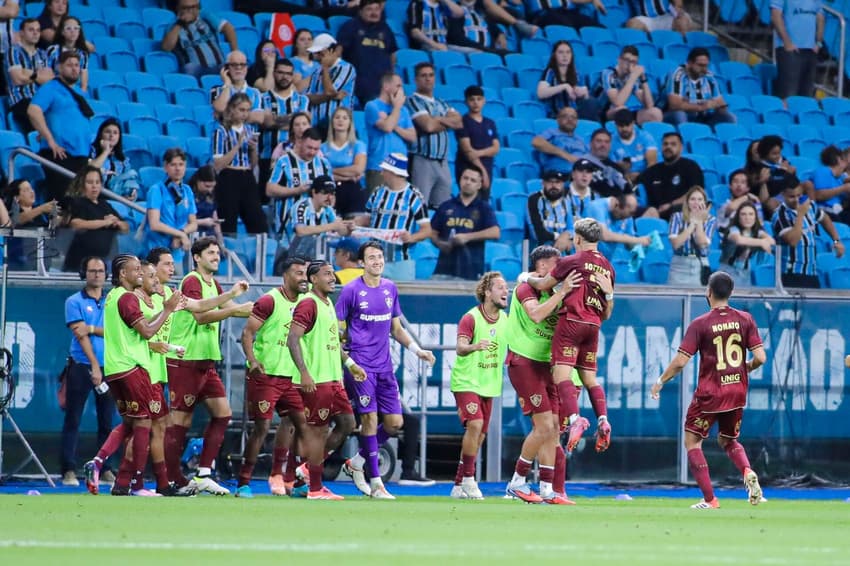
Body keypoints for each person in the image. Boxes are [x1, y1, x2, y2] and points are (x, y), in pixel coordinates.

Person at [651, 271, 766, 509]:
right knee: (729, 440)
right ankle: (747, 471)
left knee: (693, 442)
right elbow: (761, 358)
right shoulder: (745, 319)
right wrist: (747, 368)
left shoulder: (700, 324)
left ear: (708, 292)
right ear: (731, 293)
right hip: (737, 391)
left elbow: (681, 361)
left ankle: (710, 500)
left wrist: (661, 380)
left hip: (711, 392)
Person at [337, 240, 437, 497]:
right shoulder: (350, 291)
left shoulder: (390, 289)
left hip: (385, 367)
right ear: (361, 263)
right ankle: (376, 483)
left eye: (379, 257)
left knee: (394, 423)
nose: (377, 261)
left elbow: (396, 329)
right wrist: (345, 355)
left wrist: (418, 350)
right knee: (369, 419)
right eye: (371, 257)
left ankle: (358, 461)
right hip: (360, 366)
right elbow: (336, 329)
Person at [163, 237, 254, 495]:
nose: (216, 256)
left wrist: (261, 310)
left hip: (206, 360)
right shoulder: (191, 281)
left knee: (223, 414)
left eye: (217, 253)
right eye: (210, 253)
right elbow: (202, 316)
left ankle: (203, 473)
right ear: (197, 257)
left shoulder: (212, 283)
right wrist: (234, 300)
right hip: (186, 359)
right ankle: (172, 479)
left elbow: (235, 310)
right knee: (180, 420)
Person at [523, 217, 615, 453]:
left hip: (572, 321)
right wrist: (610, 295)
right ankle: (603, 420)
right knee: (590, 379)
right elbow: (606, 314)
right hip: (593, 326)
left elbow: (543, 284)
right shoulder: (608, 267)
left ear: (578, 238)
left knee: (561, 375)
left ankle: (575, 420)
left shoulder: (572, 261)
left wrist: (526, 278)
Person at [505, 246, 580, 505]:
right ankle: (516, 482)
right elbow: (536, 315)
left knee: (554, 430)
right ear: (541, 268)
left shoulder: (557, 290)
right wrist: (561, 292)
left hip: (548, 365)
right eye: (555, 264)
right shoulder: (525, 287)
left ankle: (547, 489)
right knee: (545, 426)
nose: (560, 268)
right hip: (524, 362)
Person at [103, 254, 183, 496]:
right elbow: (147, 332)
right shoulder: (127, 299)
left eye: (141, 269)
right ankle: (132, 483)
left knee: (133, 422)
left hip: (115, 368)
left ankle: (119, 479)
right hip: (131, 367)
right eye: (135, 270)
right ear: (122, 275)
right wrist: (168, 309)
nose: (139, 273)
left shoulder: (112, 296)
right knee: (144, 423)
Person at [287, 261, 365, 500]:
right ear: (313, 279)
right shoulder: (308, 304)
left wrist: (350, 365)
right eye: (327, 274)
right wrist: (304, 372)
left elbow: (332, 343)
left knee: (347, 423)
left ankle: (309, 469)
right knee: (317, 432)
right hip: (316, 379)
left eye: (332, 273)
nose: (333, 278)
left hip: (333, 379)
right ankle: (314, 488)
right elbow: (292, 339)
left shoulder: (327, 303)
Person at [237, 257, 310, 498]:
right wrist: (253, 361)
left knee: (300, 423)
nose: (303, 278)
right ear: (286, 276)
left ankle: (290, 479)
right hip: (265, 375)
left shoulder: (306, 303)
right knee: (262, 427)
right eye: (298, 273)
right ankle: (243, 483)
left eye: (306, 273)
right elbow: (247, 333)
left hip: (289, 377)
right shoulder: (270, 300)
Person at [449, 271, 509, 499]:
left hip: (489, 383)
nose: (506, 291)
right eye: (500, 287)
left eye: (506, 287)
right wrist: (475, 346)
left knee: (480, 435)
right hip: (466, 381)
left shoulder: (506, 320)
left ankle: (457, 485)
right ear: (487, 292)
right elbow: (460, 347)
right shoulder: (471, 318)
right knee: (475, 425)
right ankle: (469, 480)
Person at [60, 256, 114, 487]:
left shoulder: (112, 300)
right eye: (92, 271)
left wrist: (93, 328)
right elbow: (80, 336)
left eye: (101, 271)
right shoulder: (74, 301)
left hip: (109, 366)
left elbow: (115, 331)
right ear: (84, 273)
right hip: (81, 365)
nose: (97, 275)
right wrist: (93, 365)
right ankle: (69, 470)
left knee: (107, 421)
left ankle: (105, 468)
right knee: (73, 418)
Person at [27, 51, 92, 201]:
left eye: (77, 65)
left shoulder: (79, 93)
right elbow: (33, 110)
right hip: (60, 153)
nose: (74, 69)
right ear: (59, 67)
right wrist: (50, 140)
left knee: (80, 201)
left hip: (81, 154)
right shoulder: (51, 87)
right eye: (69, 65)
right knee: (63, 199)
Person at [406, 62, 464, 209]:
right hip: (422, 159)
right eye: (423, 76)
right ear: (416, 80)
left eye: (431, 75)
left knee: (443, 208)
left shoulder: (441, 102)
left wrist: (437, 118)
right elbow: (428, 126)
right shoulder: (412, 101)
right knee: (418, 206)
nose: (428, 79)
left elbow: (459, 123)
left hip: (442, 161)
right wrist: (445, 121)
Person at [356, 153, 433, 262]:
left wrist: (411, 238)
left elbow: (427, 230)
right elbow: (366, 220)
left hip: (400, 261)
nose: (381, 173)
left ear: (393, 172)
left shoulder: (414, 196)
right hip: (373, 260)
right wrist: (353, 223)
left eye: (384, 170)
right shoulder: (377, 192)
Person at [211, 92, 268, 235]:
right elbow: (218, 164)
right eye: (241, 110)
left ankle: (258, 253)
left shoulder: (250, 130)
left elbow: (253, 164)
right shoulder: (221, 131)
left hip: (247, 176)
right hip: (229, 176)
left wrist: (253, 149)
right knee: (228, 222)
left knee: (258, 222)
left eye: (248, 110)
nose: (245, 114)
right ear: (231, 109)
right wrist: (237, 146)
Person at [772, 177, 845, 288]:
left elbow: (825, 218)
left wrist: (836, 240)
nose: (797, 199)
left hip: (811, 272)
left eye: (799, 195)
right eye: (792, 197)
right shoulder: (780, 215)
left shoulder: (809, 206)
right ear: (783, 195)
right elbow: (793, 241)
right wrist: (800, 215)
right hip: (791, 274)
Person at [430, 165, 500, 280]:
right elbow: (432, 232)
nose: (468, 182)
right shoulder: (446, 206)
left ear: (479, 185)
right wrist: (440, 244)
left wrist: (467, 237)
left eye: (473, 180)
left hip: (471, 271)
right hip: (443, 269)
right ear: (460, 180)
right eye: (465, 178)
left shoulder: (484, 208)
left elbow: (495, 232)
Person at [267, 127, 333, 238]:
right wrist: (296, 190)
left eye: (316, 149)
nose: (312, 152)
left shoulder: (324, 164)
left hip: (317, 226)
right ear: (300, 142)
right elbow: (269, 189)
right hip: (288, 226)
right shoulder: (284, 161)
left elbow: (331, 194)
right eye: (309, 147)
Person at [63, 166, 129, 273]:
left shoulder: (105, 205)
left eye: (97, 182)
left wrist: (116, 222)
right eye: (90, 182)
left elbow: (125, 228)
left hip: (104, 262)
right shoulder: (77, 203)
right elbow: (76, 224)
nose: (94, 186)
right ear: (83, 184)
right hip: (79, 263)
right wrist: (105, 222)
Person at [259, 58, 310, 189]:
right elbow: (266, 123)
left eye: (288, 74)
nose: (285, 77)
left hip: (296, 158)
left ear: (292, 76)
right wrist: (293, 119)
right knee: (266, 197)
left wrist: (275, 119)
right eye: (281, 73)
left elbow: (304, 125)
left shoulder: (302, 99)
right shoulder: (263, 98)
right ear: (274, 73)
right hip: (267, 157)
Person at [144, 148, 198, 269]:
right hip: (156, 252)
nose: (177, 168)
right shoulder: (156, 190)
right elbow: (154, 224)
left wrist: (181, 233)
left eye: (181, 164)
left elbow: (193, 223)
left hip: (177, 253)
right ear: (165, 167)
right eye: (173, 164)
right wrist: (180, 234)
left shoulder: (187, 191)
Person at [337, 0, 398, 104]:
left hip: (384, 85)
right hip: (360, 84)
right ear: (360, 11)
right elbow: (338, 53)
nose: (374, 13)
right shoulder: (350, 27)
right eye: (369, 9)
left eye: (377, 9)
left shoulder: (385, 29)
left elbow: (392, 55)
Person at [364, 72, 416, 192]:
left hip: (400, 168)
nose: (401, 90)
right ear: (386, 86)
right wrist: (396, 107)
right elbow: (387, 128)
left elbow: (412, 136)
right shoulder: (372, 106)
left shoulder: (404, 110)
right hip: (379, 167)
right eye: (398, 86)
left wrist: (394, 124)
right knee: (378, 206)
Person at [160, 0, 237, 78]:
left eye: (194, 7)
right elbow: (166, 47)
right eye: (186, 8)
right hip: (196, 69)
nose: (191, 11)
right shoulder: (173, 25)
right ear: (178, 8)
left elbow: (228, 28)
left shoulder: (205, 15)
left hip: (219, 65)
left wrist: (235, 52)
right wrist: (179, 24)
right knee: (189, 68)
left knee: (234, 68)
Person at [281, 175, 353, 257]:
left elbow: (340, 231)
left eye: (332, 193)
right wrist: (331, 226)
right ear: (314, 192)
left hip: (309, 254)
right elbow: (301, 231)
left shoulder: (328, 209)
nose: (329, 197)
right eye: (325, 192)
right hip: (287, 253)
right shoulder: (301, 206)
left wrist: (348, 230)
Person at [639, 132, 705, 220]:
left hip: (681, 210)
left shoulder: (691, 167)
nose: (668, 147)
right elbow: (634, 185)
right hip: (656, 214)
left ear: (681, 148)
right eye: (665, 144)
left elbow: (697, 194)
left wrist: (671, 205)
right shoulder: (652, 171)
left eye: (673, 144)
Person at [664, 47, 736, 127]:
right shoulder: (678, 75)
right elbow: (674, 105)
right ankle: (686, 137)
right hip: (677, 115)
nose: (704, 69)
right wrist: (702, 107)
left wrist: (720, 107)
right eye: (700, 65)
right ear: (689, 63)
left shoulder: (709, 77)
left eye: (706, 66)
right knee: (679, 114)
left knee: (729, 117)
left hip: (704, 117)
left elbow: (720, 102)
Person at [5, 18, 52, 133]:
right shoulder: (13, 52)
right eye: (31, 30)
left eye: (38, 30)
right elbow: (17, 79)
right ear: (21, 33)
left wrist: (29, 73)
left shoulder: (42, 54)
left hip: (41, 99)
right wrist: (37, 76)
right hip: (22, 100)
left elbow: (49, 80)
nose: (35, 33)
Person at [771, 0, 824, 100]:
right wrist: (787, 42)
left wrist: (818, 43)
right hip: (789, 50)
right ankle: (784, 115)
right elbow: (775, 15)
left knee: (807, 95)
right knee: (788, 94)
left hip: (810, 50)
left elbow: (820, 17)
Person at [305, 33, 356, 133]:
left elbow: (329, 91)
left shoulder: (346, 68)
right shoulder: (316, 72)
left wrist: (325, 67)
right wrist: (332, 95)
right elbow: (308, 98)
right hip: (316, 125)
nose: (317, 57)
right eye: (316, 54)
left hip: (337, 127)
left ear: (332, 51)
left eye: (321, 53)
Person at [322, 106, 367, 217]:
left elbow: (358, 169)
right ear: (332, 121)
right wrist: (347, 176)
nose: (340, 120)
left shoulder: (358, 145)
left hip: (353, 191)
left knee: (354, 229)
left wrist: (331, 171)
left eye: (344, 118)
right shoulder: (322, 147)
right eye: (337, 117)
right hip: (329, 191)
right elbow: (321, 172)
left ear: (350, 123)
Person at [667, 185, 716, 286]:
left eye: (700, 199)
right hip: (679, 265)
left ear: (704, 202)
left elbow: (702, 243)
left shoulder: (711, 220)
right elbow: (676, 243)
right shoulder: (677, 217)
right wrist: (692, 224)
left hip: (699, 265)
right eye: (692, 199)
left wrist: (699, 222)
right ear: (687, 202)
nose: (696, 202)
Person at [601, 45, 662, 125]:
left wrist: (643, 79)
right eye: (627, 60)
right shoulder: (609, 73)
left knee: (655, 113)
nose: (629, 65)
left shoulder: (632, 75)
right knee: (622, 109)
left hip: (627, 112)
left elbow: (649, 105)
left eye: (633, 62)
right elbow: (617, 102)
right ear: (619, 60)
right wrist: (633, 77)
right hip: (606, 112)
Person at [718, 202, 775, 288]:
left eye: (751, 214)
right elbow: (739, 240)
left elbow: (771, 241)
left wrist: (764, 239)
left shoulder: (757, 232)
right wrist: (761, 242)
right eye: (743, 214)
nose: (747, 218)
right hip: (728, 271)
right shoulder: (733, 230)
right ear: (738, 217)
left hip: (745, 272)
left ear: (755, 217)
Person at [455, 85, 499, 194]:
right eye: (472, 99)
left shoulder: (490, 123)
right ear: (466, 102)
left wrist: (479, 153)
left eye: (479, 99)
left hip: (488, 167)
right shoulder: (463, 122)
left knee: (483, 205)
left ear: (484, 101)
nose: (475, 103)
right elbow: (468, 151)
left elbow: (496, 148)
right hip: (468, 170)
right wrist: (482, 172)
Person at [4, 179, 54, 270]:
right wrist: (41, 209)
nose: (31, 192)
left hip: (42, 262)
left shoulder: (41, 215)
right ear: (17, 197)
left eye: (31, 189)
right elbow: (15, 221)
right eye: (26, 190)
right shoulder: (11, 213)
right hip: (19, 264)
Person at [537, 41, 596, 120]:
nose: (565, 56)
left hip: (575, 114)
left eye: (568, 52)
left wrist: (584, 93)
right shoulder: (550, 72)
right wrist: (564, 86)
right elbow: (541, 93)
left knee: (592, 103)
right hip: (557, 115)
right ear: (554, 55)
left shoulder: (577, 74)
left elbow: (584, 100)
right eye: (561, 52)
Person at [89, 118, 139, 201]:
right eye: (108, 132)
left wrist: (132, 192)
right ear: (101, 134)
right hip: (95, 196)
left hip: (117, 199)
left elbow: (128, 181)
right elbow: (90, 170)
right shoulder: (91, 151)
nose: (111, 135)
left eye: (115, 133)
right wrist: (106, 151)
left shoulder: (123, 160)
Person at [527, 170, 574, 252]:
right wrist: (559, 237)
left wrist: (567, 235)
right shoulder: (534, 199)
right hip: (539, 252)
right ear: (543, 183)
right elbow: (537, 233)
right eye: (550, 182)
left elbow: (572, 228)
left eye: (557, 182)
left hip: (562, 250)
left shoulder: (566, 202)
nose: (554, 186)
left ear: (562, 184)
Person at [531, 106, 588, 175]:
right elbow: (536, 142)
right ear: (558, 120)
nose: (570, 119)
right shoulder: (551, 133)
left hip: (580, 176)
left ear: (577, 122)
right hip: (557, 176)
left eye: (573, 117)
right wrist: (565, 155)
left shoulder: (581, 140)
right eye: (565, 116)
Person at [210, 50, 263, 120]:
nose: (239, 68)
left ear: (247, 68)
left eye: (243, 65)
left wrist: (229, 114)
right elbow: (220, 109)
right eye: (234, 65)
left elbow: (258, 118)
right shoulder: (217, 90)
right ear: (226, 68)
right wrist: (227, 85)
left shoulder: (255, 92)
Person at [609, 108, 658, 184]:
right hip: (621, 180)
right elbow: (611, 167)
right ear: (615, 125)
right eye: (621, 126)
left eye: (627, 125)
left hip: (645, 177)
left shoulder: (645, 137)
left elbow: (652, 164)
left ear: (633, 123)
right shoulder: (610, 141)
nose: (624, 129)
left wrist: (640, 176)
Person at [583, 128, 633, 198]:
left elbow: (628, 190)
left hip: (623, 204)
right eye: (599, 141)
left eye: (607, 142)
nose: (603, 145)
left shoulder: (616, 167)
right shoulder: (583, 165)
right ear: (591, 144)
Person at [45, 15, 89, 92]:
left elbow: (83, 80)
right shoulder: (52, 50)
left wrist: (81, 94)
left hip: (74, 91)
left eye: (76, 28)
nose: (73, 31)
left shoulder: (83, 54)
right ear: (62, 32)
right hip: (54, 89)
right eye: (68, 28)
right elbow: (46, 72)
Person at [811, 145, 850, 224]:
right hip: (826, 213)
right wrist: (843, 188)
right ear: (839, 160)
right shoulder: (823, 171)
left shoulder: (840, 178)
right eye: (844, 159)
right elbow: (819, 195)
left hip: (839, 212)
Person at [717, 169, 764, 233]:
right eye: (735, 182)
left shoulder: (753, 205)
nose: (739, 185)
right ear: (730, 186)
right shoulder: (725, 204)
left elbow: (760, 223)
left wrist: (758, 203)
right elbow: (731, 208)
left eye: (743, 182)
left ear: (748, 188)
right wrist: (747, 196)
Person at [188, 165, 223, 245]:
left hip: (209, 235)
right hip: (192, 234)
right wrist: (202, 222)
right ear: (198, 181)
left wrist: (220, 240)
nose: (210, 190)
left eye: (212, 187)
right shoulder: (188, 194)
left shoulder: (211, 195)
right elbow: (181, 221)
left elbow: (215, 218)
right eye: (207, 186)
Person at [517, 0, 604, 29]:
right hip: (545, 14)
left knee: (598, 28)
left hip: (568, 12)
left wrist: (593, 0)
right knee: (566, 25)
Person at [626, 0, 692, 33]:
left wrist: (678, 8)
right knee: (632, 24)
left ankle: (680, 53)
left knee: (683, 21)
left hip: (666, 16)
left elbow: (678, 4)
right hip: (645, 20)